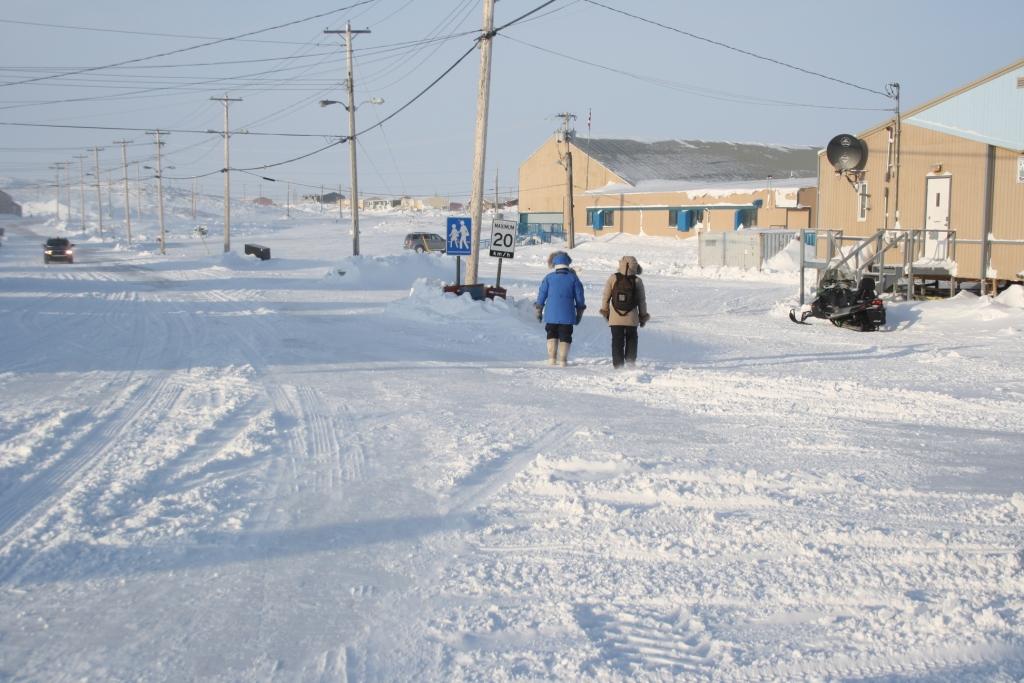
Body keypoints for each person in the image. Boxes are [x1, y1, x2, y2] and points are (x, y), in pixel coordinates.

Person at [535, 251, 586, 366]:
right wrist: (579, 311)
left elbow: (542, 295)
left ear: (555, 264)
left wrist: (539, 309)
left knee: (551, 333)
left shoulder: (548, 278)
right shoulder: (573, 279)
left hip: (551, 313)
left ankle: (552, 358)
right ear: (567, 264)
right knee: (566, 335)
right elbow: (580, 297)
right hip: (567, 313)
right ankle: (563, 360)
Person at [599, 255, 650, 368]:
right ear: (635, 266)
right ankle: (630, 362)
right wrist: (643, 316)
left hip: (615, 317)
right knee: (631, 339)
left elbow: (606, 297)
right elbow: (642, 301)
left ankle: (618, 365)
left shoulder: (613, 278)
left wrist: (606, 311)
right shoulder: (637, 281)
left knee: (617, 341)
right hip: (631, 318)